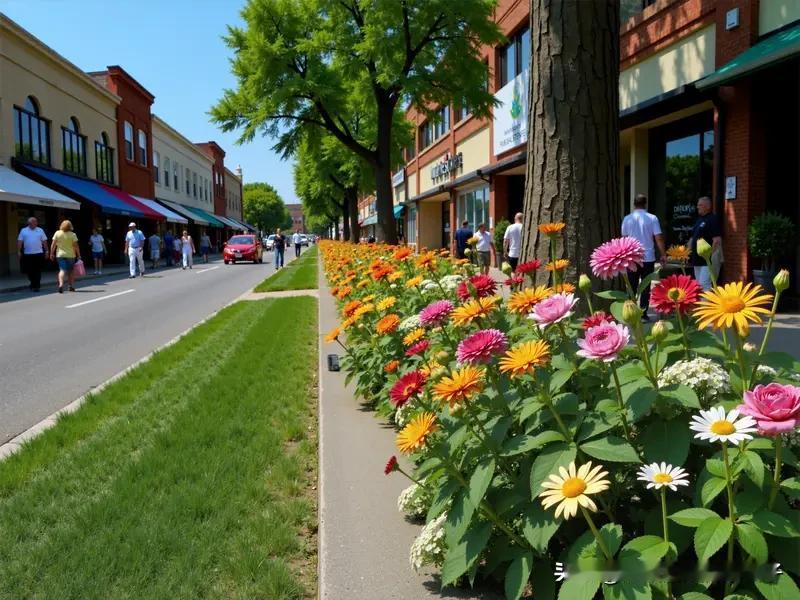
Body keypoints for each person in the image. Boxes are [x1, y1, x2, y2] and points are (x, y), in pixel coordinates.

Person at [621, 194, 667, 321]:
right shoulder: (652, 218)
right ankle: (643, 314)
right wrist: (663, 254)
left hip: (632, 258)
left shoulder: (627, 219)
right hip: (648, 257)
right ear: (645, 203)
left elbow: (623, 239)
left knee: (631, 285)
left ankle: (631, 313)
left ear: (634, 204)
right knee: (646, 286)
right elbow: (658, 237)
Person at [689, 196, 723, 290]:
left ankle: (706, 305)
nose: (697, 207)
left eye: (700, 205)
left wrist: (710, 256)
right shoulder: (699, 220)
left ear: (708, 206)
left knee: (704, 284)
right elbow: (692, 238)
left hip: (707, 261)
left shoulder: (712, 219)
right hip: (696, 260)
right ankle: (702, 304)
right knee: (699, 286)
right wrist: (686, 253)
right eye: (698, 205)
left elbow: (717, 240)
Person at [16, 217, 48, 292]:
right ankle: (32, 283)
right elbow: (20, 241)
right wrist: (18, 251)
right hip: (28, 254)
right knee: (29, 270)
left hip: (38, 253)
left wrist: (47, 251)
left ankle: (36, 286)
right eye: (33, 222)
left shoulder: (40, 230)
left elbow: (44, 241)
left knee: (37, 270)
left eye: (36, 222)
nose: (35, 224)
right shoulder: (23, 230)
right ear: (29, 223)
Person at [50, 220, 81, 293]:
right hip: (71, 255)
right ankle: (71, 286)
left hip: (60, 255)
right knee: (70, 271)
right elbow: (76, 246)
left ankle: (61, 284)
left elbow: (53, 244)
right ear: (70, 226)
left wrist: (51, 253)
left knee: (62, 270)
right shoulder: (73, 234)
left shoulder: (57, 233)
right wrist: (79, 255)